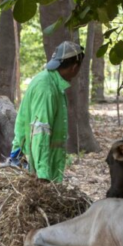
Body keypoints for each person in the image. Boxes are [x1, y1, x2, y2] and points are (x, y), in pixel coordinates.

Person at [10, 41, 85, 182]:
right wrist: (42, 174)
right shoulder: (46, 88)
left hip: (45, 160)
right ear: (75, 67)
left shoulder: (53, 83)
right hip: (32, 164)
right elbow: (40, 132)